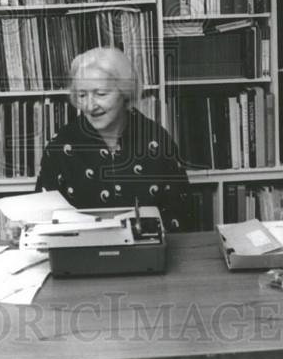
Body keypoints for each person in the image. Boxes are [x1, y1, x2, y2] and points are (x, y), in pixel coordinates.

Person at [34, 46, 192, 232]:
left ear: (125, 92)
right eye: (82, 95)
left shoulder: (156, 139)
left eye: (101, 94)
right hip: (81, 249)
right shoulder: (61, 145)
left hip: (147, 248)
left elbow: (180, 214)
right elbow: (42, 220)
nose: (90, 106)